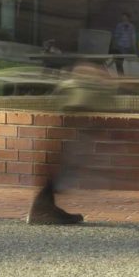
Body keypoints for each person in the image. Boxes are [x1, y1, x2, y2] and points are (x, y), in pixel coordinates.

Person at [26, 63, 113, 225]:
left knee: (61, 170)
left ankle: (45, 209)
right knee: (61, 170)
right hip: (68, 130)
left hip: (66, 128)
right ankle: (42, 211)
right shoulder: (79, 88)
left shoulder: (73, 87)